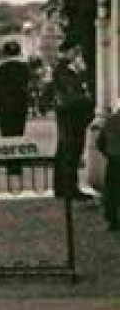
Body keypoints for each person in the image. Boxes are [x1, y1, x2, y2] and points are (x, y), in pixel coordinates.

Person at [51, 40, 96, 201]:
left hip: (70, 115)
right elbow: (73, 95)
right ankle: (69, 188)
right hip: (71, 116)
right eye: (75, 51)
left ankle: (62, 187)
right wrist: (89, 100)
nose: (77, 55)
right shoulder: (64, 71)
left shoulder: (64, 70)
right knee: (71, 151)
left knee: (66, 150)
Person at [0, 42, 31, 138]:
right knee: (19, 132)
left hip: (4, 105)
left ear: (5, 53)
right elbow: (28, 84)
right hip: (20, 103)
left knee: (6, 134)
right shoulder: (25, 67)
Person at [95, 107, 120, 231]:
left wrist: (109, 154)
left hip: (114, 160)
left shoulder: (110, 121)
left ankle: (113, 220)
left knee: (112, 192)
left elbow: (100, 143)